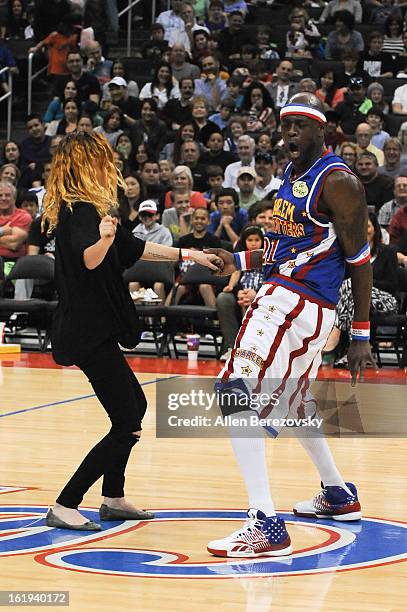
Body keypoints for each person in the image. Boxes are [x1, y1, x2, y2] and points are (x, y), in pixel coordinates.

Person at [205, 93, 374, 558]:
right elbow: (285, 246)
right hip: (292, 298)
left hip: (296, 303)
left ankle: (265, 521)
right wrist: (238, 258)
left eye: (300, 125)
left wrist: (360, 333)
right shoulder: (292, 175)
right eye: (285, 126)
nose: (290, 134)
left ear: (322, 130)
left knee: (233, 390)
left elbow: (360, 261)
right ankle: (338, 494)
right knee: (296, 405)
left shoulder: (338, 180)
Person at [41, 131, 221, 530]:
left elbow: (135, 247)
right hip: (86, 330)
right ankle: (66, 503)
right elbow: (89, 259)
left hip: (94, 328)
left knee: (130, 411)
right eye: (101, 159)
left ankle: (113, 496)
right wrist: (104, 240)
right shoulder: (80, 211)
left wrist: (190, 254)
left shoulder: (92, 210)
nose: (110, 166)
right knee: (129, 415)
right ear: (85, 164)